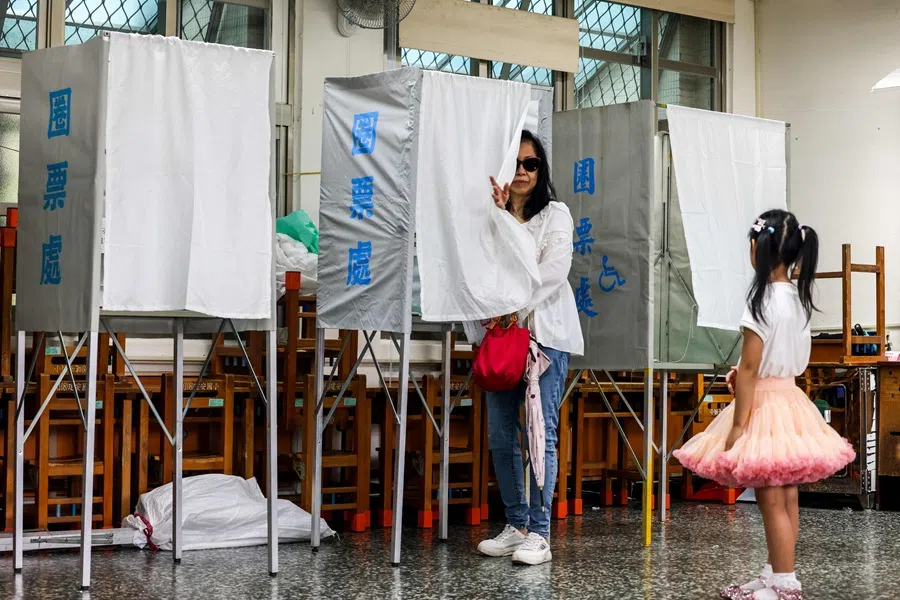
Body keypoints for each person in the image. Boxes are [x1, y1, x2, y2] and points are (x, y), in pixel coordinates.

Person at [673, 209, 855, 600]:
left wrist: (738, 428)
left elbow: (753, 367)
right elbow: (775, 360)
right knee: (786, 494)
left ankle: (785, 583)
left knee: (771, 498)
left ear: (757, 248)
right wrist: (746, 373)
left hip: (764, 406)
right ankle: (775, 572)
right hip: (790, 400)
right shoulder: (798, 300)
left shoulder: (760, 303)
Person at [465, 130, 583, 566]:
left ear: (541, 170)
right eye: (515, 163)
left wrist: (516, 306)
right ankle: (516, 524)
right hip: (500, 337)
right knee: (500, 434)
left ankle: (540, 531)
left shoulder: (555, 214)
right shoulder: (488, 215)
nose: (521, 172)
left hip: (544, 335)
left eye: (530, 164)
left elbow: (553, 270)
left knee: (541, 432)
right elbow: (479, 269)